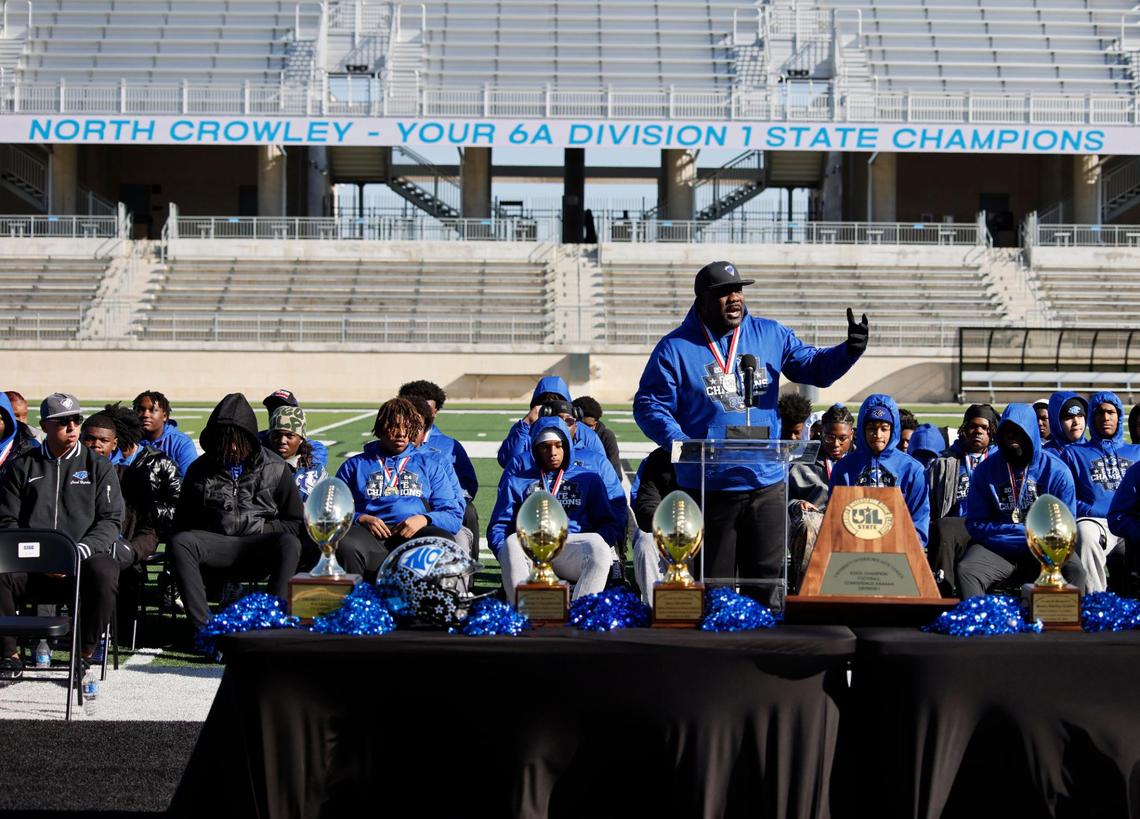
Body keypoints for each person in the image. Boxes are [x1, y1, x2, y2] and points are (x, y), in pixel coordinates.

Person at [634, 260, 867, 605]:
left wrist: (849, 350)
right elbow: (650, 404)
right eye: (724, 293)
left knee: (767, 584)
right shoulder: (675, 348)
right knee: (716, 588)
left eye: (738, 290)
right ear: (701, 299)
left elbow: (813, 367)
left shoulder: (770, 334)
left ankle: (766, 651)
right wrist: (679, 441)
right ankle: (717, 653)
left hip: (767, 481)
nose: (735, 298)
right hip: (709, 485)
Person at [0, 393, 124, 678]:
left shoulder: (98, 466)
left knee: (106, 570)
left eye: (76, 420)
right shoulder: (23, 466)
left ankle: (84, 653)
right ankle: (10, 654)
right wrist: (38, 555)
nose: (72, 427)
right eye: (62, 421)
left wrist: (76, 553)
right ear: (44, 426)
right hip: (31, 565)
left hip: (80, 561)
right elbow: (7, 521)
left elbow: (110, 520)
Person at [167, 394, 304, 633]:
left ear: (250, 440)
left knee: (290, 543)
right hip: (217, 544)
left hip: (258, 543)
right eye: (225, 440)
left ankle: (268, 624)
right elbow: (182, 522)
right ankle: (207, 631)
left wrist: (262, 528)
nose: (231, 447)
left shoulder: (276, 467)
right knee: (181, 542)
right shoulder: (200, 469)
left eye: (237, 441)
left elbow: (294, 522)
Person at [958, 403, 1085, 598]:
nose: (1011, 437)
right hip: (997, 548)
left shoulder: (1057, 471)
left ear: (1031, 433)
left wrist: (1029, 538)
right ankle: (980, 621)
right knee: (968, 569)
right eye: (1006, 432)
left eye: (1018, 431)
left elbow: (1065, 529)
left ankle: (1065, 623)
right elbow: (975, 523)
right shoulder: (985, 471)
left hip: (1043, 550)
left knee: (1074, 569)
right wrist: (1020, 533)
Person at [488, 417, 620, 603]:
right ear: (535, 449)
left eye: (559, 446)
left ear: (567, 446)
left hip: (571, 545)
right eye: (545, 447)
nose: (553, 453)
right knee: (511, 543)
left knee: (599, 545)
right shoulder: (516, 481)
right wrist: (507, 556)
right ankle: (525, 611)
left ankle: (581, 609)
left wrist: (603, 541)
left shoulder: (589, 479)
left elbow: (607, 522)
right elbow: (499, 526)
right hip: (531, 547)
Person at [334, 398, 464, 579]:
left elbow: (453, 516)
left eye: (407, 427)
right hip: (369, 536)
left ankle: (424, 604)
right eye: (394, 426)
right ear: (381, 427)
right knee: (344, 542)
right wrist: (360, 518)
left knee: (442, 541)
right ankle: (355, 602)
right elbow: (332, 510)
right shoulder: (354, 465)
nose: (401, 434)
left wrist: (424, 519)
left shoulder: (430, 464)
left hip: (415, 534)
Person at [82, 405, 181, 633]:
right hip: (81, 551)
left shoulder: (134, 477)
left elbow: (150, 529)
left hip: (122, 553)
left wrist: (131, 551)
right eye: (89, 439)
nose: (96, 445)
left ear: (115, 442)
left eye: (103, 440)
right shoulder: (69, 475)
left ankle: (113, 632)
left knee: (120, 573)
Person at [1061, 391, 1140, 592]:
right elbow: (1066, 498)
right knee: (1085, 533)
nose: (1105, 418)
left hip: (1130, 522)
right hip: (1096, 523)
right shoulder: (1073, 453)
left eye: (1111, 412)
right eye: (1099, 413)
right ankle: (1096, 601)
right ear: (1091, 418)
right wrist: (1094, 510)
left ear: (1119, 416)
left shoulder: (1136, 451)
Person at [829, 394, 930, 548]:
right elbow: (834, 515)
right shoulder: (844, 468)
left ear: (893, 430)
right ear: (862, 429)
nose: (878, 435)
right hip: (853, 547)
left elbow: (919, 518)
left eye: (884, 428)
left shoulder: (912, 469)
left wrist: (909, 547)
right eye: (871, 429)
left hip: (899, 547)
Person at [397, 380, 480, 552]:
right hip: (403, 511)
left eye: (427, 408)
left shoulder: (448, 446)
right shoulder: (389, 446)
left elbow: (468, 484)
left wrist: (452, 501)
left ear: (434, 412)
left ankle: (468, 567)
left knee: (468, 512)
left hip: (443, 507)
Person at [925, 404, 999, 595]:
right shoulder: (944, 463)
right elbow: (930, 505)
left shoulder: (1001, 463)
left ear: (992, 432)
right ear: (964, 429)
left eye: (984, 427)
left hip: (989, 526)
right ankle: (942, 594)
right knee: (944, 527)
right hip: (956, 526)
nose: (978, 431)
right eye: (973, 426)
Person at [788, 403, 854, 584]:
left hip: (853, 520)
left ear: (852, 435)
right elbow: (783, 498)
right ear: (820, 433)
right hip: (816, 521)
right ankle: (808, 591)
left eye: (842, 438)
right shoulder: (801, 465)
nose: (835, 444)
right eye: (829, 437)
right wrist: (796, 504)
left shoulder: (861, 463)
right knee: (809, 524)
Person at [497, 376, 607, 468]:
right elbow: (509, 464)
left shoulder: (583, 432)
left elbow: (602, 468)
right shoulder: (524, 430)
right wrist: (526, 423)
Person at [629, 447, 676, 604]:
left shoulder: (718, 456)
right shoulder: (658, 458)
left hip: (707, 532)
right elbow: (645, 506)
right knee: (645, 541)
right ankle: (655, 610)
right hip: (666, 531)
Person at [260, 389, 329, 473]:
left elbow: (315, 464)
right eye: (272, 408)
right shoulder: (257, 439)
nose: (277, 412)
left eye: (283, 407)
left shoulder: (315, 448)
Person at [267, 406, 326, 500]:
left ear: (301, 439)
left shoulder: (314, 471)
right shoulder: (257, 466)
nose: (282, 441)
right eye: (277, 435)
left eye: (289, 436)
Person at [134, 390, 198, 476]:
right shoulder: (129, 441)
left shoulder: (182, 443)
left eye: (152, 410)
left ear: (164, 416)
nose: (145, 414)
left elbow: (188, 480)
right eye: (141, 410)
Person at [572, 395, 623, 478]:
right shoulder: (563, 436)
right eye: (580, 425)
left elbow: (616, 475)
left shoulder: (606, 437)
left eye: (588, 426)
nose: (584, 430)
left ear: (595, 424)